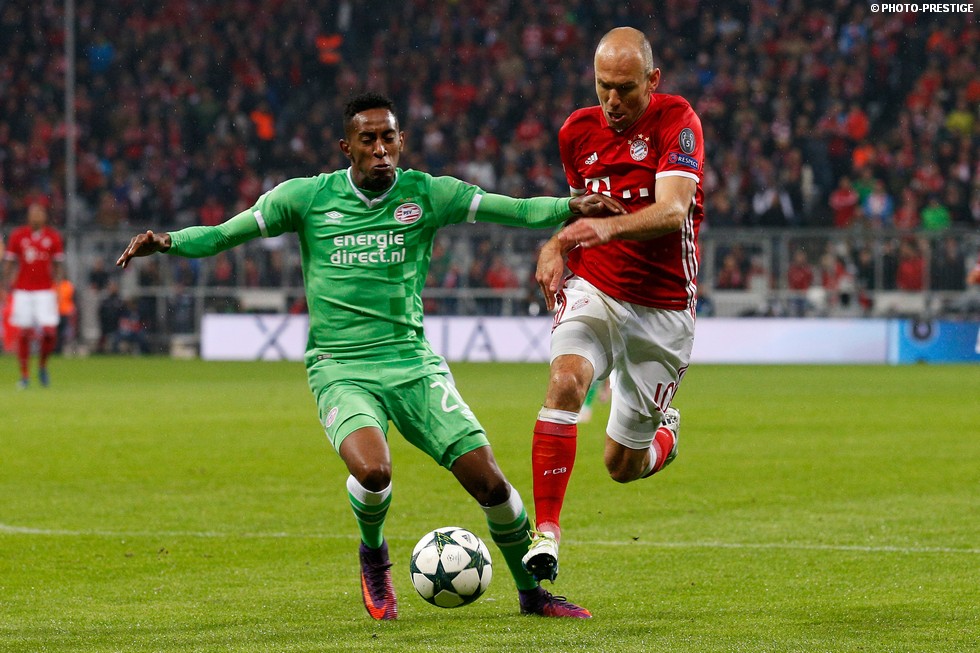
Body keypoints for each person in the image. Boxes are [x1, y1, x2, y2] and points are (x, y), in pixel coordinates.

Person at [116, 92, 623, 620]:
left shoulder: (427, 193)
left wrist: (571, 207)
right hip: (340, 367)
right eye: (368, 140)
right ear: (347, 147)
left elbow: (512, 209)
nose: (381, 149)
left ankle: (532, 595)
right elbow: (225, 234)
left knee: (491, 483)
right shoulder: (306, 198)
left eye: (388, 138)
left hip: (413, 364)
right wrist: (169, 241)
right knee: (374, 470)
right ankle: (374, 556)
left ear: (401, 141)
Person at [521, 27, 705, 586]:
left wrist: (605, 230)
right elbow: (581, 211)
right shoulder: (576, 132)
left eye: (625, 88)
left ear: (653, 80)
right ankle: (545, 534)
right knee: (565, 382)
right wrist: (558, 244)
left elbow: (672, 211)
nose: (613, 100)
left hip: (663, 308)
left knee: (621, 466)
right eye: (604, 86)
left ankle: (664, 436)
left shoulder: (678, 121)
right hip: (596, 288)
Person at [2, 202, 65, 389]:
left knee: (49, 333)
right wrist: (4, 286)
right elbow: (9, 263)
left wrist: (58, 287)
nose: (37, 216)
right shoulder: (18, 235)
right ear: (28, 216)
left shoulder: (53, 237)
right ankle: (24, 375)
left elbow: (58, 265)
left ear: (44, 216)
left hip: (45, 291)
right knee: (23, 333)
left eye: (40, 213)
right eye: (34, 213)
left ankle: (42, 366)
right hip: (23, 291)